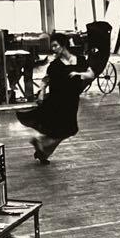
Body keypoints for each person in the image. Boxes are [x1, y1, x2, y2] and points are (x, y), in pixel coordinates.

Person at [16, 32, 95, 163]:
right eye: (52, 46)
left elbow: (91, 74)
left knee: (62, 130)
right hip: (58, 100)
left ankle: (43, 151)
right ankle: (43, 145)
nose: (53, 49)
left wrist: (78, 73)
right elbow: (45, 80)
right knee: (68, 129)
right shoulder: (55, 65)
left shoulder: (80, 60)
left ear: (63, 45)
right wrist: (41, 92)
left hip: (72, 100)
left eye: (55, 45)